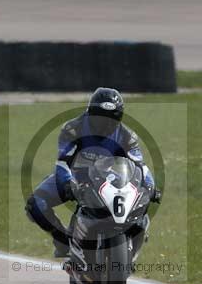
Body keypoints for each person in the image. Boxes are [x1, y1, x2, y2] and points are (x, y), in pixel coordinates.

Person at [25, 87, 158, 257]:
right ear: (90, 112)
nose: (106, 123)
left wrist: (150, 185)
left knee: (141, 207)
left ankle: (130, 249)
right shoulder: (73, 129)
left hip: (112, 180)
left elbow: (140, 165)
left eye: (112, 118)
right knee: (36, 204)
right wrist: (66, 183)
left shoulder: (127, 136)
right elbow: (63, 162)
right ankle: (63, 240)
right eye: (100, 117)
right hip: (76, 178)